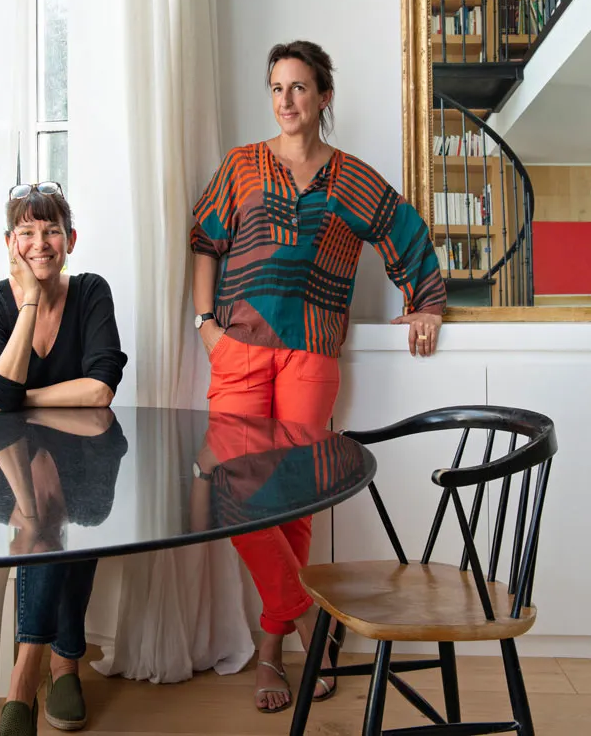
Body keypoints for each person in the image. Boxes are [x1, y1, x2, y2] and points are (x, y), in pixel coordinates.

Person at [190, 40, 446, 713]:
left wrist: (425, 304)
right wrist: (205, 325)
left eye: (299, 87)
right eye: (277, 88)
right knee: (231, 493)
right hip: (239, 348)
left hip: (311, 354)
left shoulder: (351, 179)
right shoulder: (242, 166)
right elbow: (205, 241)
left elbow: (406, 233)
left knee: (293, 503)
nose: (286, 100)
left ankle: (272, 656)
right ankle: (308, 619)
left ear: (324, 96)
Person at [0, 181, 127, 735]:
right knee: (43, 527)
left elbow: (100, 389)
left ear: (70, 240)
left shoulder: (91, 291)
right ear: (10, 243)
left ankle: (28, 674)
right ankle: (61, 664)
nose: (40, 243)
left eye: (52, 230)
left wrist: (20, 398)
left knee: (73, 516)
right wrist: (31, 300)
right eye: (27, 232)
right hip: (5, 466)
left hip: (86, 456)